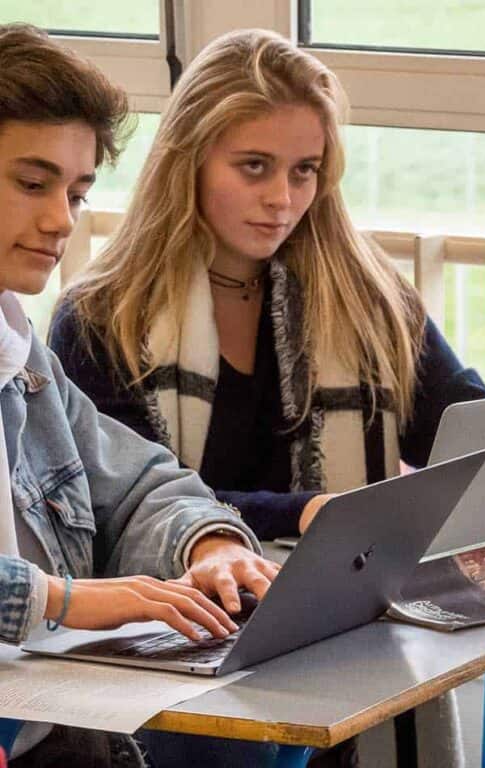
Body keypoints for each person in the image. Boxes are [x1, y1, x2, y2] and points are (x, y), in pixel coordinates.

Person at [47, 28, 485, 768]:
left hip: (343, 620)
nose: (282, 199)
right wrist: (305, 517)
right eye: (253, 167)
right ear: (189, 161)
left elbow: (465, 423)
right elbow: (121, 507)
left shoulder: (369, 299)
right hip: (182, 642)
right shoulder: (100, 318)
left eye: (305, 171)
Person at [0, 23, 274, 767]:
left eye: (77, 192)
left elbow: (141, 484)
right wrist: (62, 601)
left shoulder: (21, 356)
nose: (60, 219)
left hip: (53, 737)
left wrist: (209, 545)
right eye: (32, 183)